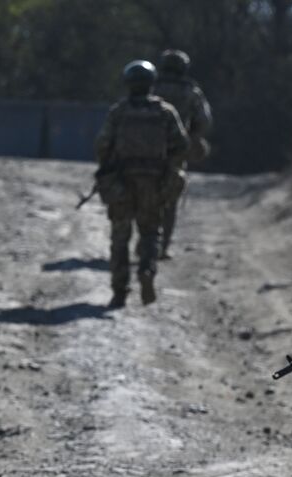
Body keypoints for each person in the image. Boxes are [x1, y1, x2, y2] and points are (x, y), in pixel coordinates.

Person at [93, 60, 188, 308]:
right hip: (153, 184)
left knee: (120, 237)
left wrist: (108, 170)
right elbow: (181, 147)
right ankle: (147, 270)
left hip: (122, 182)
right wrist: (167, 172)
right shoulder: (165, 113)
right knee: (150, 232)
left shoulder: (118, 112)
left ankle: (119, 290)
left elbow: (102, 145)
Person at [151, 49, 213, 259]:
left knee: (144, 193)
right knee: (170, 199)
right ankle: (163, 247)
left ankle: (145, 242)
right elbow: (204, 120)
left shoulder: (151, 86)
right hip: (176, 150)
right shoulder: (190, 91)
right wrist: (192, 137)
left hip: (146, 148)